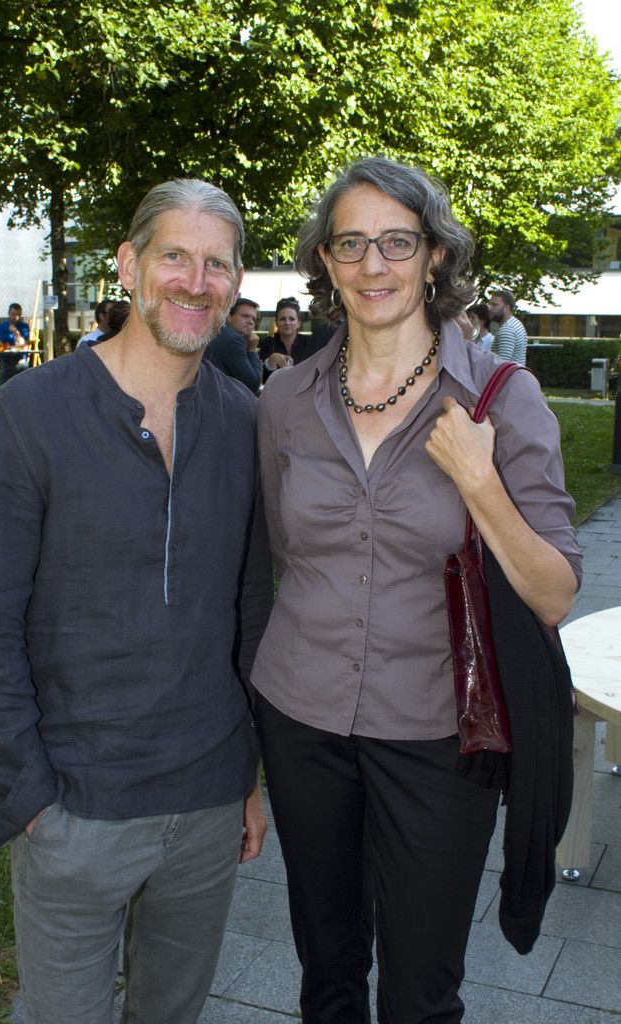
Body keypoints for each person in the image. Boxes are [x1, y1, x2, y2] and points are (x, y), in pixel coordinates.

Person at [250, 157, 581, 1024]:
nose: (373, 266)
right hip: (301, 720)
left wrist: (480, 485)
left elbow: (552, 594)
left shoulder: (502, 400)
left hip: (439, 736)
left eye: (396, 242)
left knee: (420, 991)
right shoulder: (285, 400)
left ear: (434, 255)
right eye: (349, 244)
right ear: (323, 262)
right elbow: (285, 557)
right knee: (325, 970)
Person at [0, 177, 273, 1024]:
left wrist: (247, 776)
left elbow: (248, 614)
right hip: (76, 810)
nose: (194, 281)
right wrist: (30, 797)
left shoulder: (246, 425)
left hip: (206, 805)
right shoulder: (23, 418)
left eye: (216, 264)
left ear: (236, 282)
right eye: (174, 255)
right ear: (128, 266)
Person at [205, 296, 262, 392]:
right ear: (229, 317)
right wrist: (252, 349)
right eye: (245, 316)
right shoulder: (234, 339)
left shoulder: (218, 331)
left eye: (253, 319)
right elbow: (253, 384)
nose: (250, 322)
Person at [259, 296, 310, 379]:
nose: (287, 322)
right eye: (282, 319)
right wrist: (270, 362)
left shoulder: (309, 342)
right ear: (276, 322)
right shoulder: (267, 343)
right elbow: (264, 378)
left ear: (299, 323)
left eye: (292, 319)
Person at [487, 288, 528, 364]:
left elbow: (502, 366)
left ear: (507, 307)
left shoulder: (507, 330)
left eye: (494, 305)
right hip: (516, 375)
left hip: (509, 375)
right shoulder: (516, 323)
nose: (489, 308)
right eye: (490, 304)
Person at [0, 302, 31, 385]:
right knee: (3, 389)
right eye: (13, 314)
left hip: (21, 361)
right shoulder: (1, 327)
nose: (15, 317)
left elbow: (25, 346)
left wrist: (16, 333)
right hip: (6, 361)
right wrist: (14, 346)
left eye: (18, 314)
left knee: (23, 389)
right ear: (9, 313)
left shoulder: (24, 327)